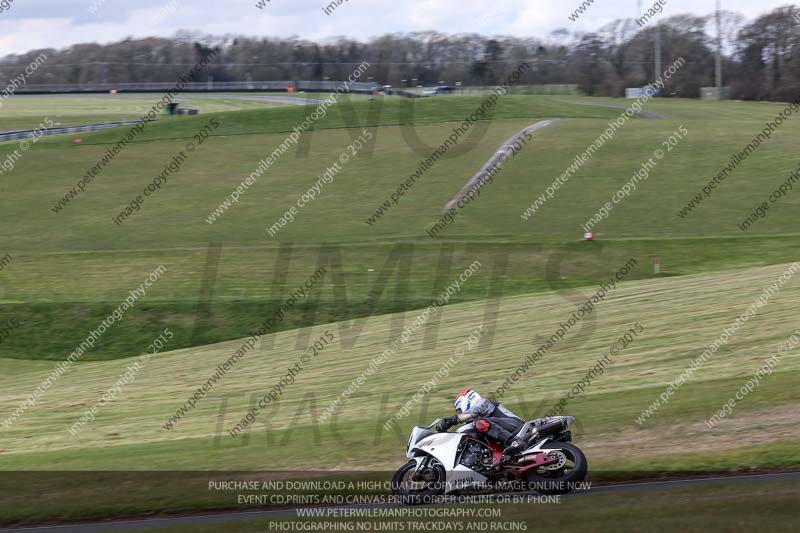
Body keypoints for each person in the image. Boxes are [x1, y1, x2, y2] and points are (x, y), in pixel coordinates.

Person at [435, 389, 527, 457]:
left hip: (516, 426)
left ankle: (515, 441)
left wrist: (451, 420)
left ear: (466, 401)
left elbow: (472, 413)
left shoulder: (482, 402)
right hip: (507, 430)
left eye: (459, 410)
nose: (460, 413)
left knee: (479, 423)